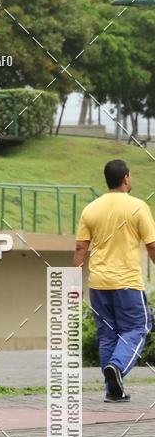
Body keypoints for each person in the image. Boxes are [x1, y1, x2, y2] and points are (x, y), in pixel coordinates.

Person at [74, 159, 155, 402]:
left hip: (98, 284)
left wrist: (72, 281)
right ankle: (117, 367)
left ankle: (113, 390)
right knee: (137, 328)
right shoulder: (138, 207)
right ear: (126, 179)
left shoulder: (91, 209)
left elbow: (80, 247)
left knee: (107, 335)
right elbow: (152, 246)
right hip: (127, 282)